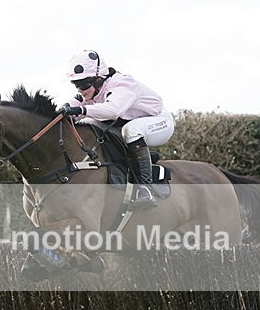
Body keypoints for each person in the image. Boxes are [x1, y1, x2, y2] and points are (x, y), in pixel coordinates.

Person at [56, 50, 175, 210]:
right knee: (88, 124)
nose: (80, 90)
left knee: (131, 130)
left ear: (99, 80)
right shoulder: (90, 93)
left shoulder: (121, 85)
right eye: (77, 85)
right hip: (124, 123)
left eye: (84, 84)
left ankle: (145, 189)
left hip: (160, 122)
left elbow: (113, 110)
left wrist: (81, 110)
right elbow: (70, 113)